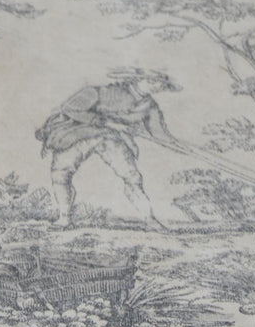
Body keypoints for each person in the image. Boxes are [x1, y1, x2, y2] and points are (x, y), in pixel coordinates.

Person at [35, 68, 181, 229]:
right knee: (60, 174)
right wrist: (108, 123)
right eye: (152, 80)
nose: (157, 85)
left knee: (132, 176)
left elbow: (159, 133)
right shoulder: (99, 92)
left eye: (160, 82)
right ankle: (64, 218)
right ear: (136, 79)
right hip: (76, 134)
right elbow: (69, 109)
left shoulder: (149, 106)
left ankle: (150, 219)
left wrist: (176, 144)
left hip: (111, 138)